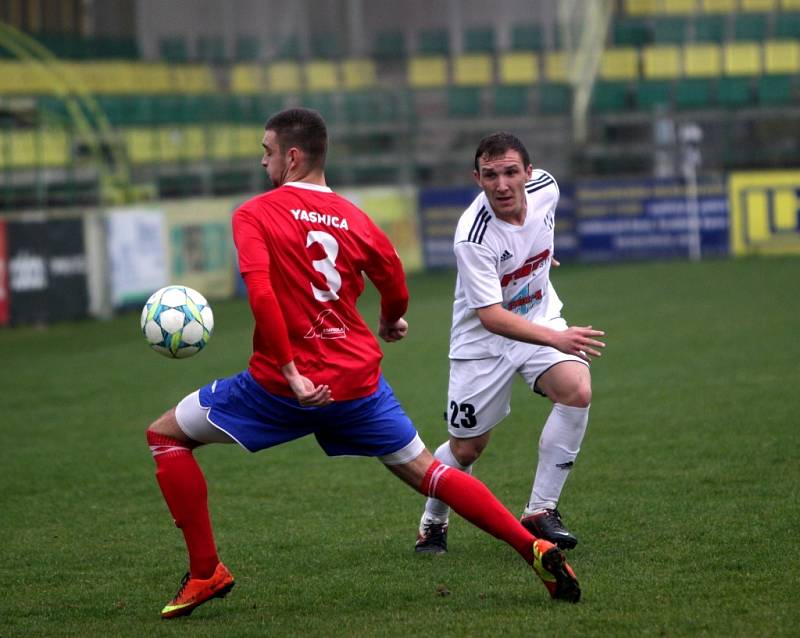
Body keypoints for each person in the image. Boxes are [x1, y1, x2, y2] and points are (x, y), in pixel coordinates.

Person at [145, 109, 580, 620]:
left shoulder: (254, 213)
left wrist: (288, 371)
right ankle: (533, 549)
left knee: (167, 437)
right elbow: (393, 274)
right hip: (357, 382)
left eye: (266, 151)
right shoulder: (354, 218)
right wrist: (392, 319)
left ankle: (205, 572)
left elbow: (261, 293)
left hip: (279, 387)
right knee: (430, 471)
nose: (262, 161)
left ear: (292, 156)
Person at [414, 132, 605, 555]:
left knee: (576, 390)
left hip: (536, 315)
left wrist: (541, 253)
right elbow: (491, 316)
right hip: (482, 341)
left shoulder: (547, 189)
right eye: (490, 175)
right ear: (477, 178)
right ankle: (433, 521)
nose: (502, 184)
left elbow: (537, 232)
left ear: (529, 174)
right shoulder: (473, 234)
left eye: (510, 172)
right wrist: (558, 338)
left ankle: (540, 510)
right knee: (467, 448)